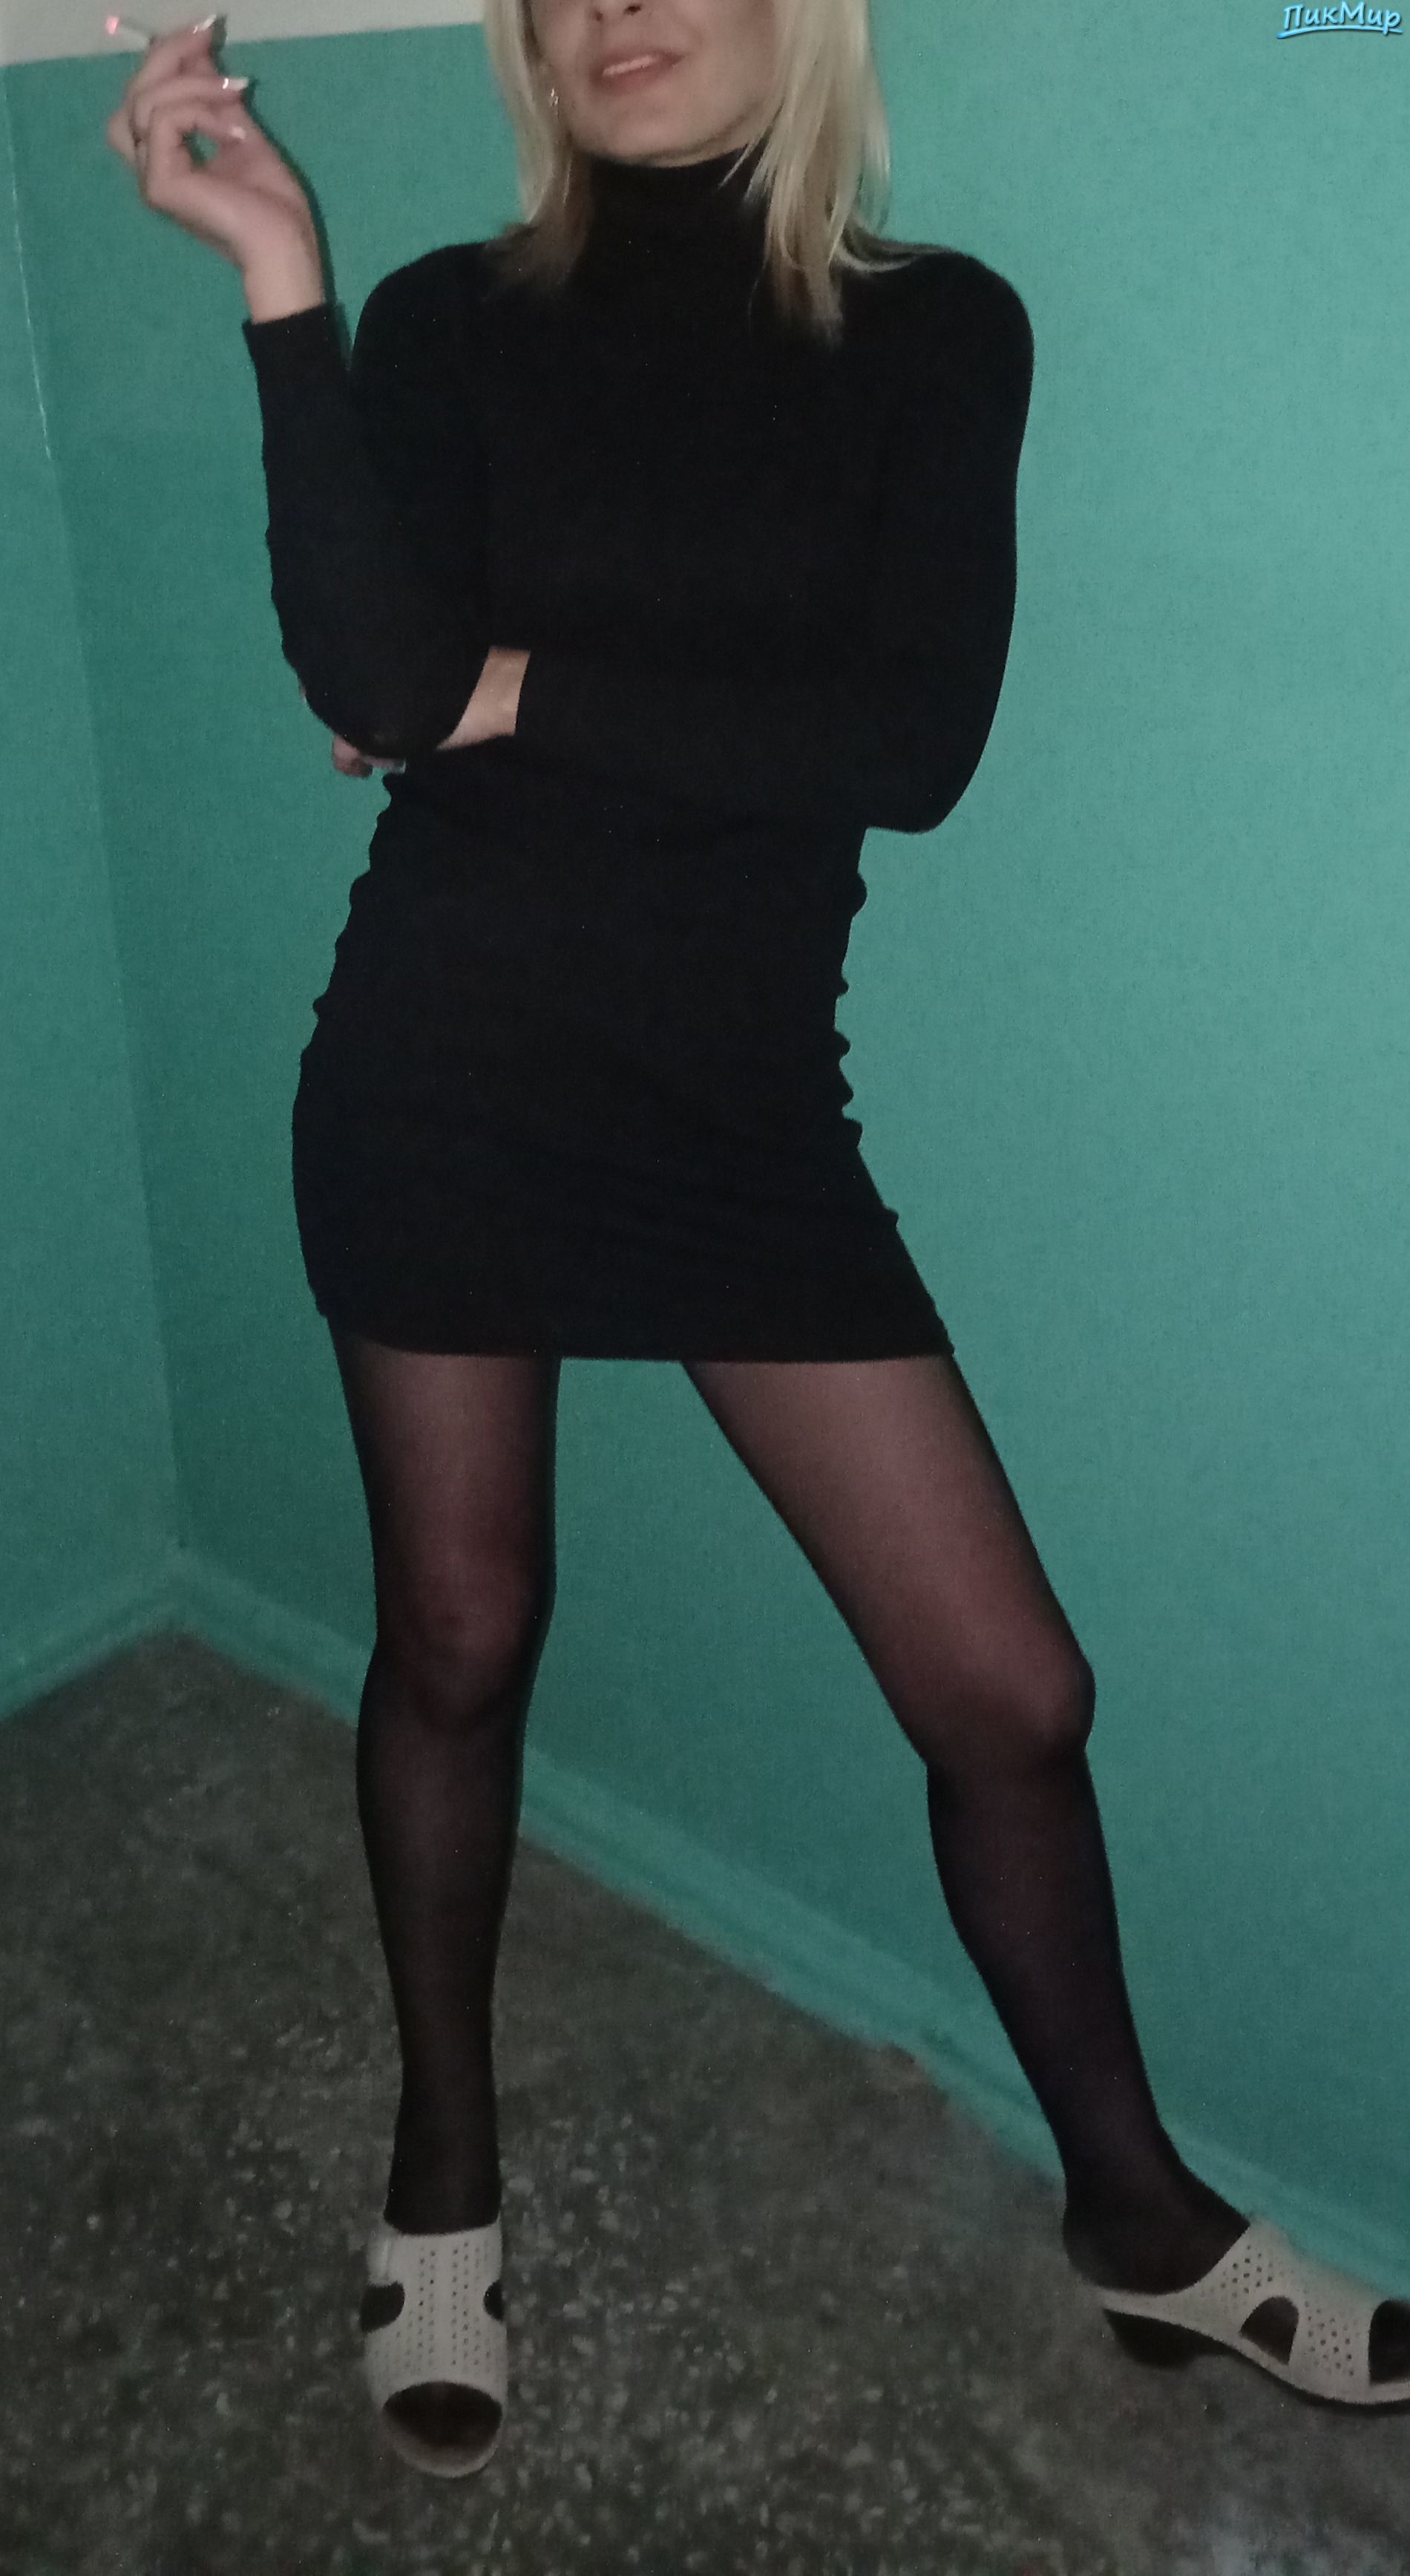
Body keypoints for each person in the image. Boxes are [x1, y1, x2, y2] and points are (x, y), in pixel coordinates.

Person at [107, 0, 1410, 2482]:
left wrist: (510, 680)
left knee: (1008, 1692)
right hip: (444, 1068)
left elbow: (908, 754)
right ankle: (443, 2169)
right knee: (460, 1638)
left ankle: (1133, 2212)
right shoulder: (443, 317)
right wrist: (278, 268)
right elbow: (371, 676)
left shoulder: (933, 329)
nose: (614, 7)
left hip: (735, 1117)